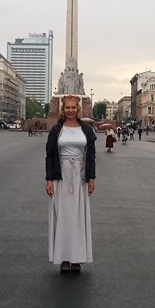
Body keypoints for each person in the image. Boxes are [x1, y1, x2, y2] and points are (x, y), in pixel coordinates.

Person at [45, 95, 96, 274]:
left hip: (80, 176)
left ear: (78, 109)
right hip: (62, 176)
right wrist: (49, 179)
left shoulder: (87, 130)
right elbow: (50, 155)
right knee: (63, 216)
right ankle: (64, 258)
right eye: (67, 107)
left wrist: (91, 178)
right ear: (63, 109)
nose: (71, 110)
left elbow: (91, 154)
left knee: (78, 216)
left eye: (74, 107)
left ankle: (77, 258)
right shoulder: (57, 129)